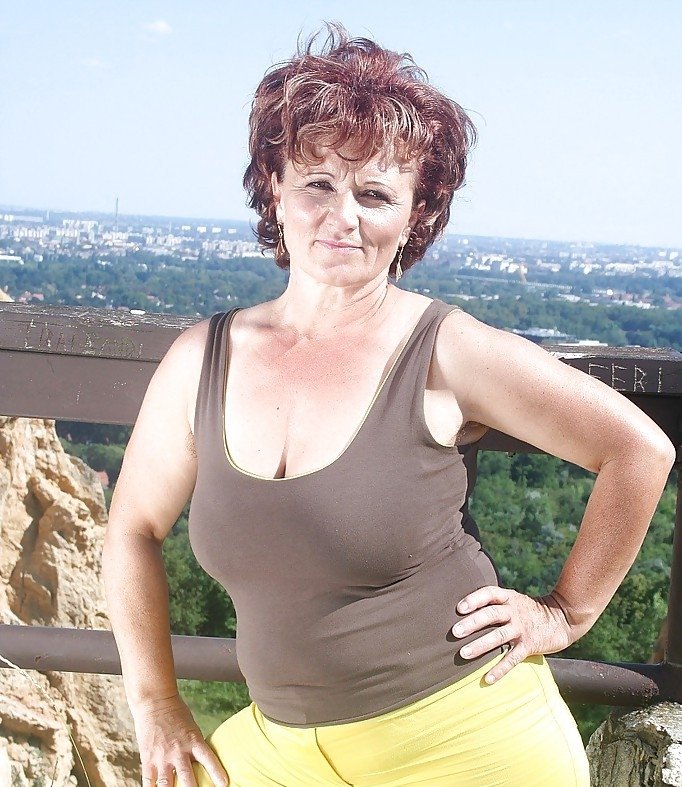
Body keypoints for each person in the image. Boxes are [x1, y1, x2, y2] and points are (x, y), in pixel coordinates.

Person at [102, 26, 676, 787]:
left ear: (415, 214)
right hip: (283, 753)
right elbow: (132, 531)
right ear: (274, 186)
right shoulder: (200, 360)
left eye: (374, 194)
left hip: (470, 744)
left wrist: (565, 613)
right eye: (317, 183)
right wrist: (155, 702)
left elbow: (639, 449)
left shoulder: (446, 349)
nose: (342, 216)